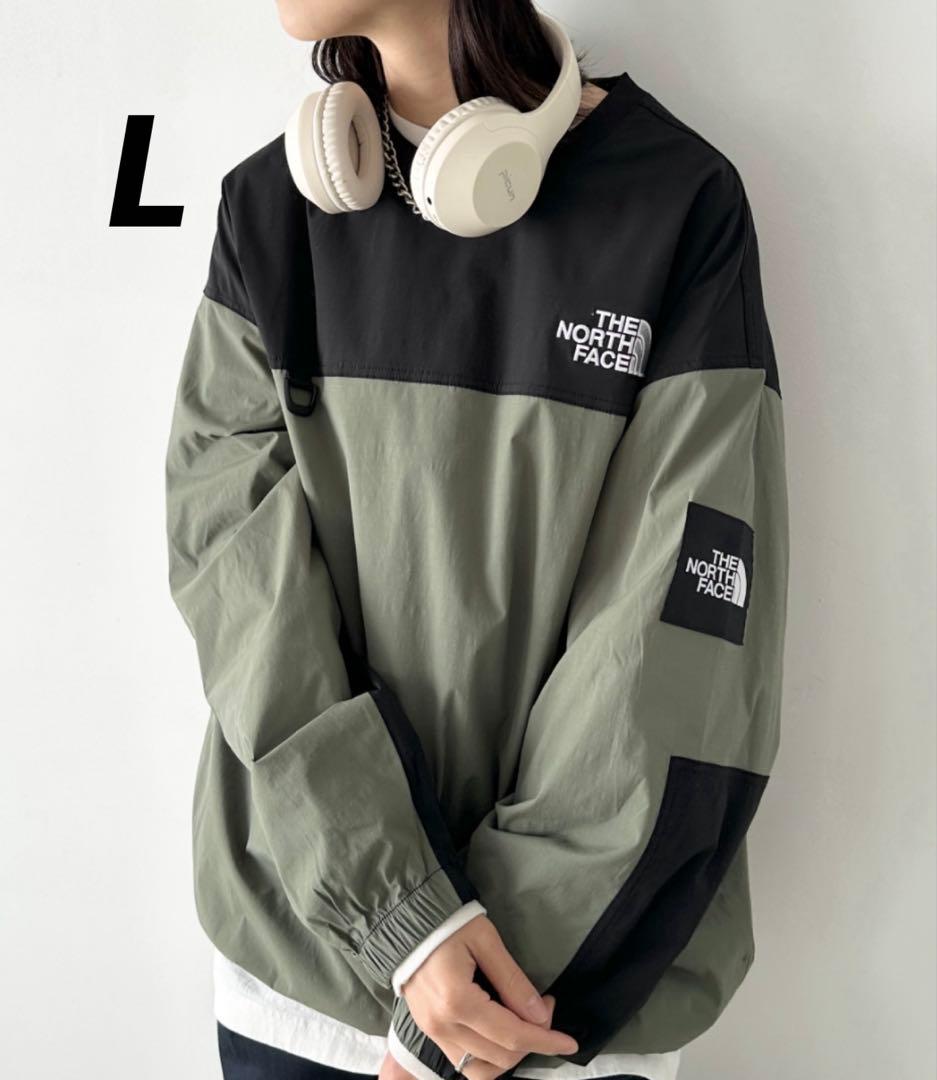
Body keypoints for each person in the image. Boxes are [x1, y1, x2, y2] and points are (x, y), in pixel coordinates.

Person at [163, 2, 789, 1079]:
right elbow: (241, 590)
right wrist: (404, 921)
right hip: (297, 984)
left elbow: (675, 648)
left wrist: (468, 1004)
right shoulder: (268, 209)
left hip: (549, 1010)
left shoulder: (675, 205)